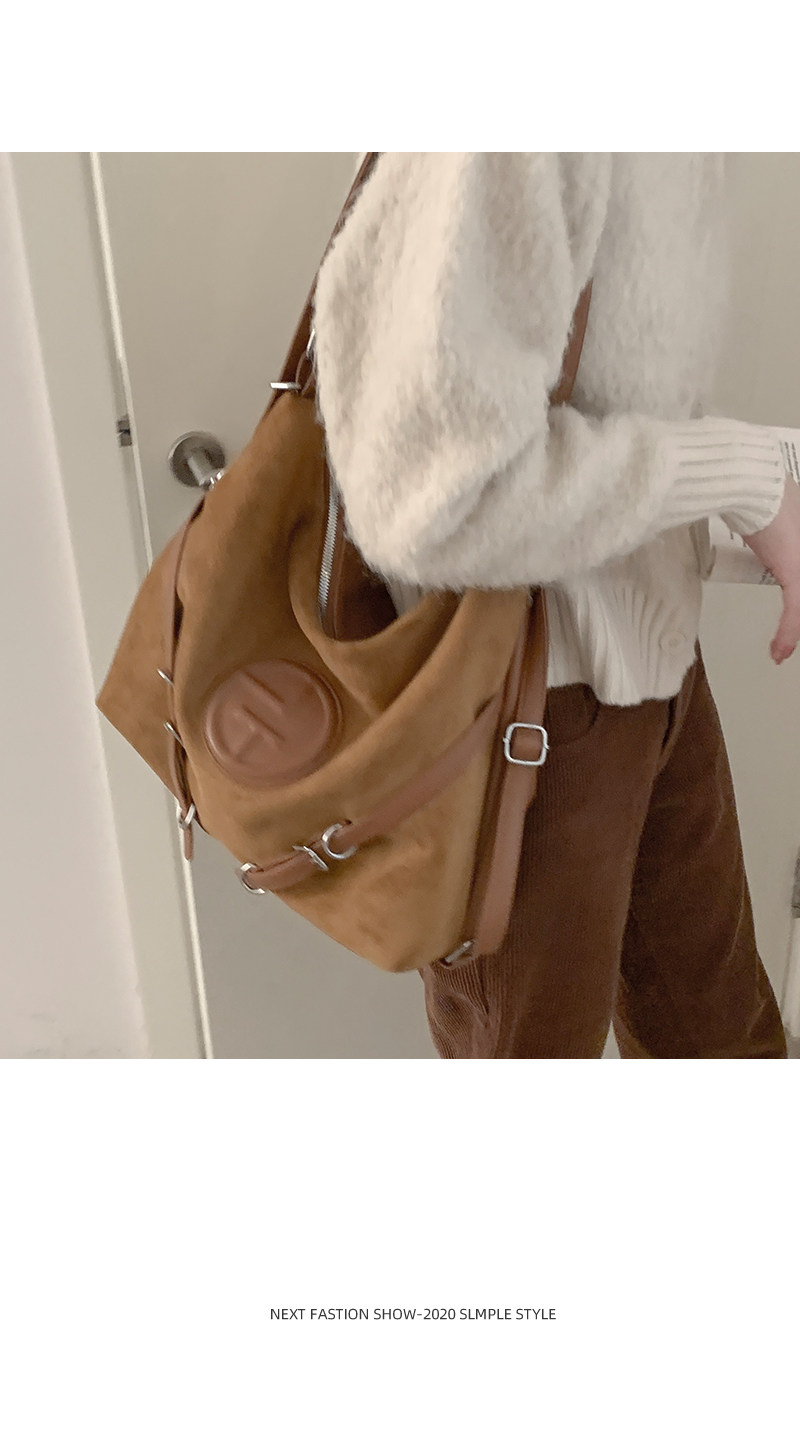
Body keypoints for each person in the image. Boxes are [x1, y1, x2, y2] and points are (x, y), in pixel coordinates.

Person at [312, 153, 796, 1059]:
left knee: (727, 1038)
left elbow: (614, 401)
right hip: (527, 716)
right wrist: (747, 479)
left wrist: (738, 521)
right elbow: (433, 503)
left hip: (656, 668)